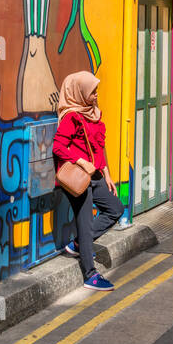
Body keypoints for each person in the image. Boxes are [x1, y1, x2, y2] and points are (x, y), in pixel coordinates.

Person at [53, 71, 124, 292]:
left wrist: (107, 172)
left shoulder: (93, 113)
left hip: (96, 176)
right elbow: (58, 148)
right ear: (79, 92)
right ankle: (90, 275)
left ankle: (78, 244)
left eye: (95, 90)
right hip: (78, 178)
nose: (95, 95)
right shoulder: (71, 116)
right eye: (92, 91)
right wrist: (82, 162)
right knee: (84, 222)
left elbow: (99, 145)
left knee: (115, 208)